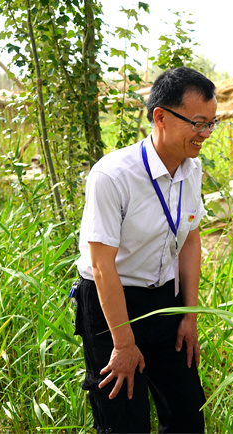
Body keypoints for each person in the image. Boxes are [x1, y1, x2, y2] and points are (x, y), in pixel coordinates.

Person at [73, 66, 218, 433]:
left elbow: (190, 239)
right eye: (198, 123)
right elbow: (102, 265)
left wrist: (189, 314)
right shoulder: (112, 176)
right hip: (113, 302)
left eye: (212, 123)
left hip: (165, 300)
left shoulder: (192, 169)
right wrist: (123, 344)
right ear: (161, 117)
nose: (205, 134)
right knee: (123, 419)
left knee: (187, 413)